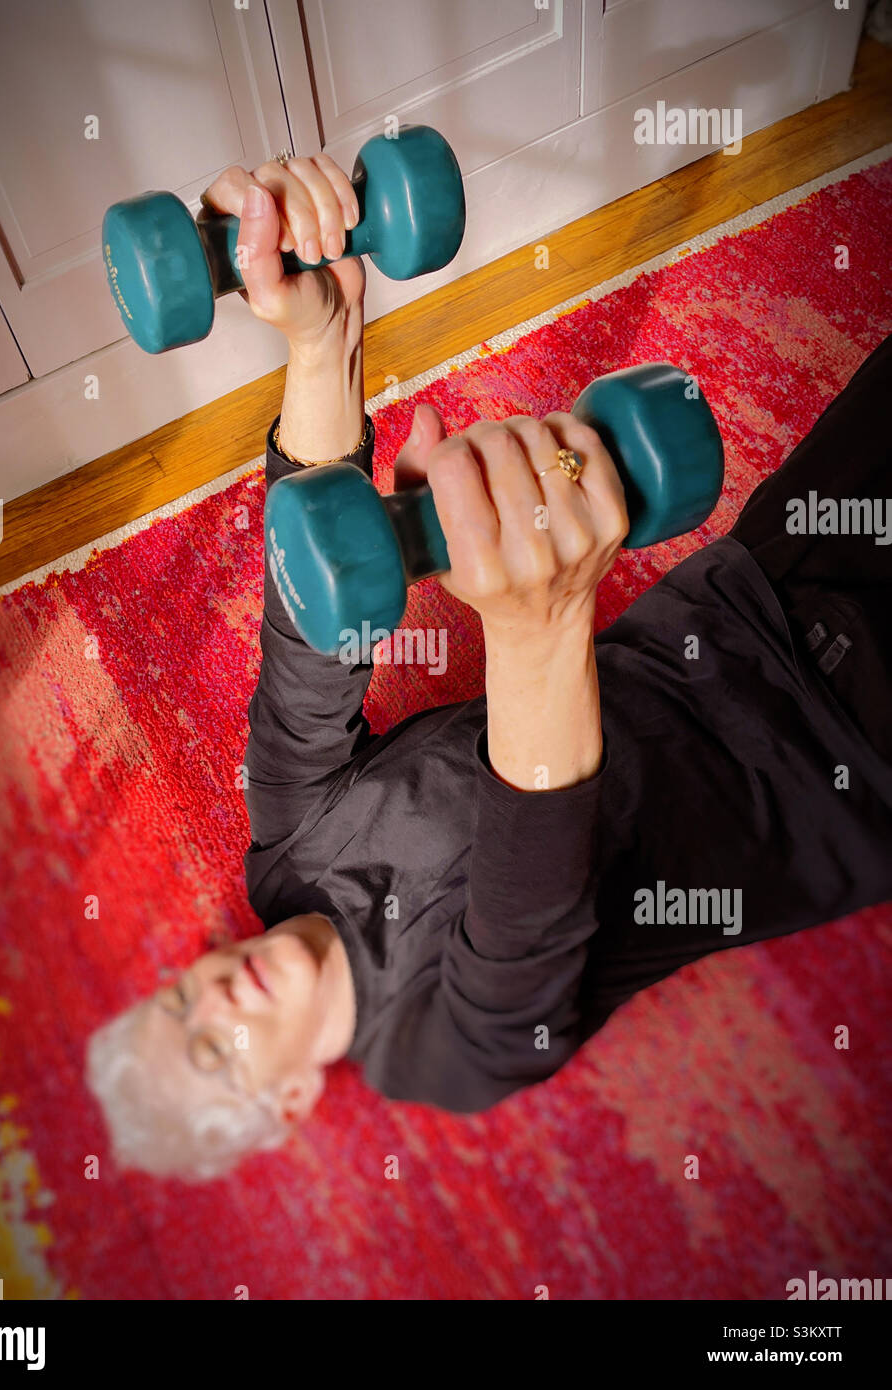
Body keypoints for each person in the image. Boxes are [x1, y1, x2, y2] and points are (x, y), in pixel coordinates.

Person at [87, 148, 892, 1182]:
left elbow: (305, 633)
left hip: (752, 591)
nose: (215, 996)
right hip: (849, 760)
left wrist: (322, 340)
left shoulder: (286, 860)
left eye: (180, 997)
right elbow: (532, 878)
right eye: (213, 1047)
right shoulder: (446, 1056)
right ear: (285, 1102)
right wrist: (535, 621)